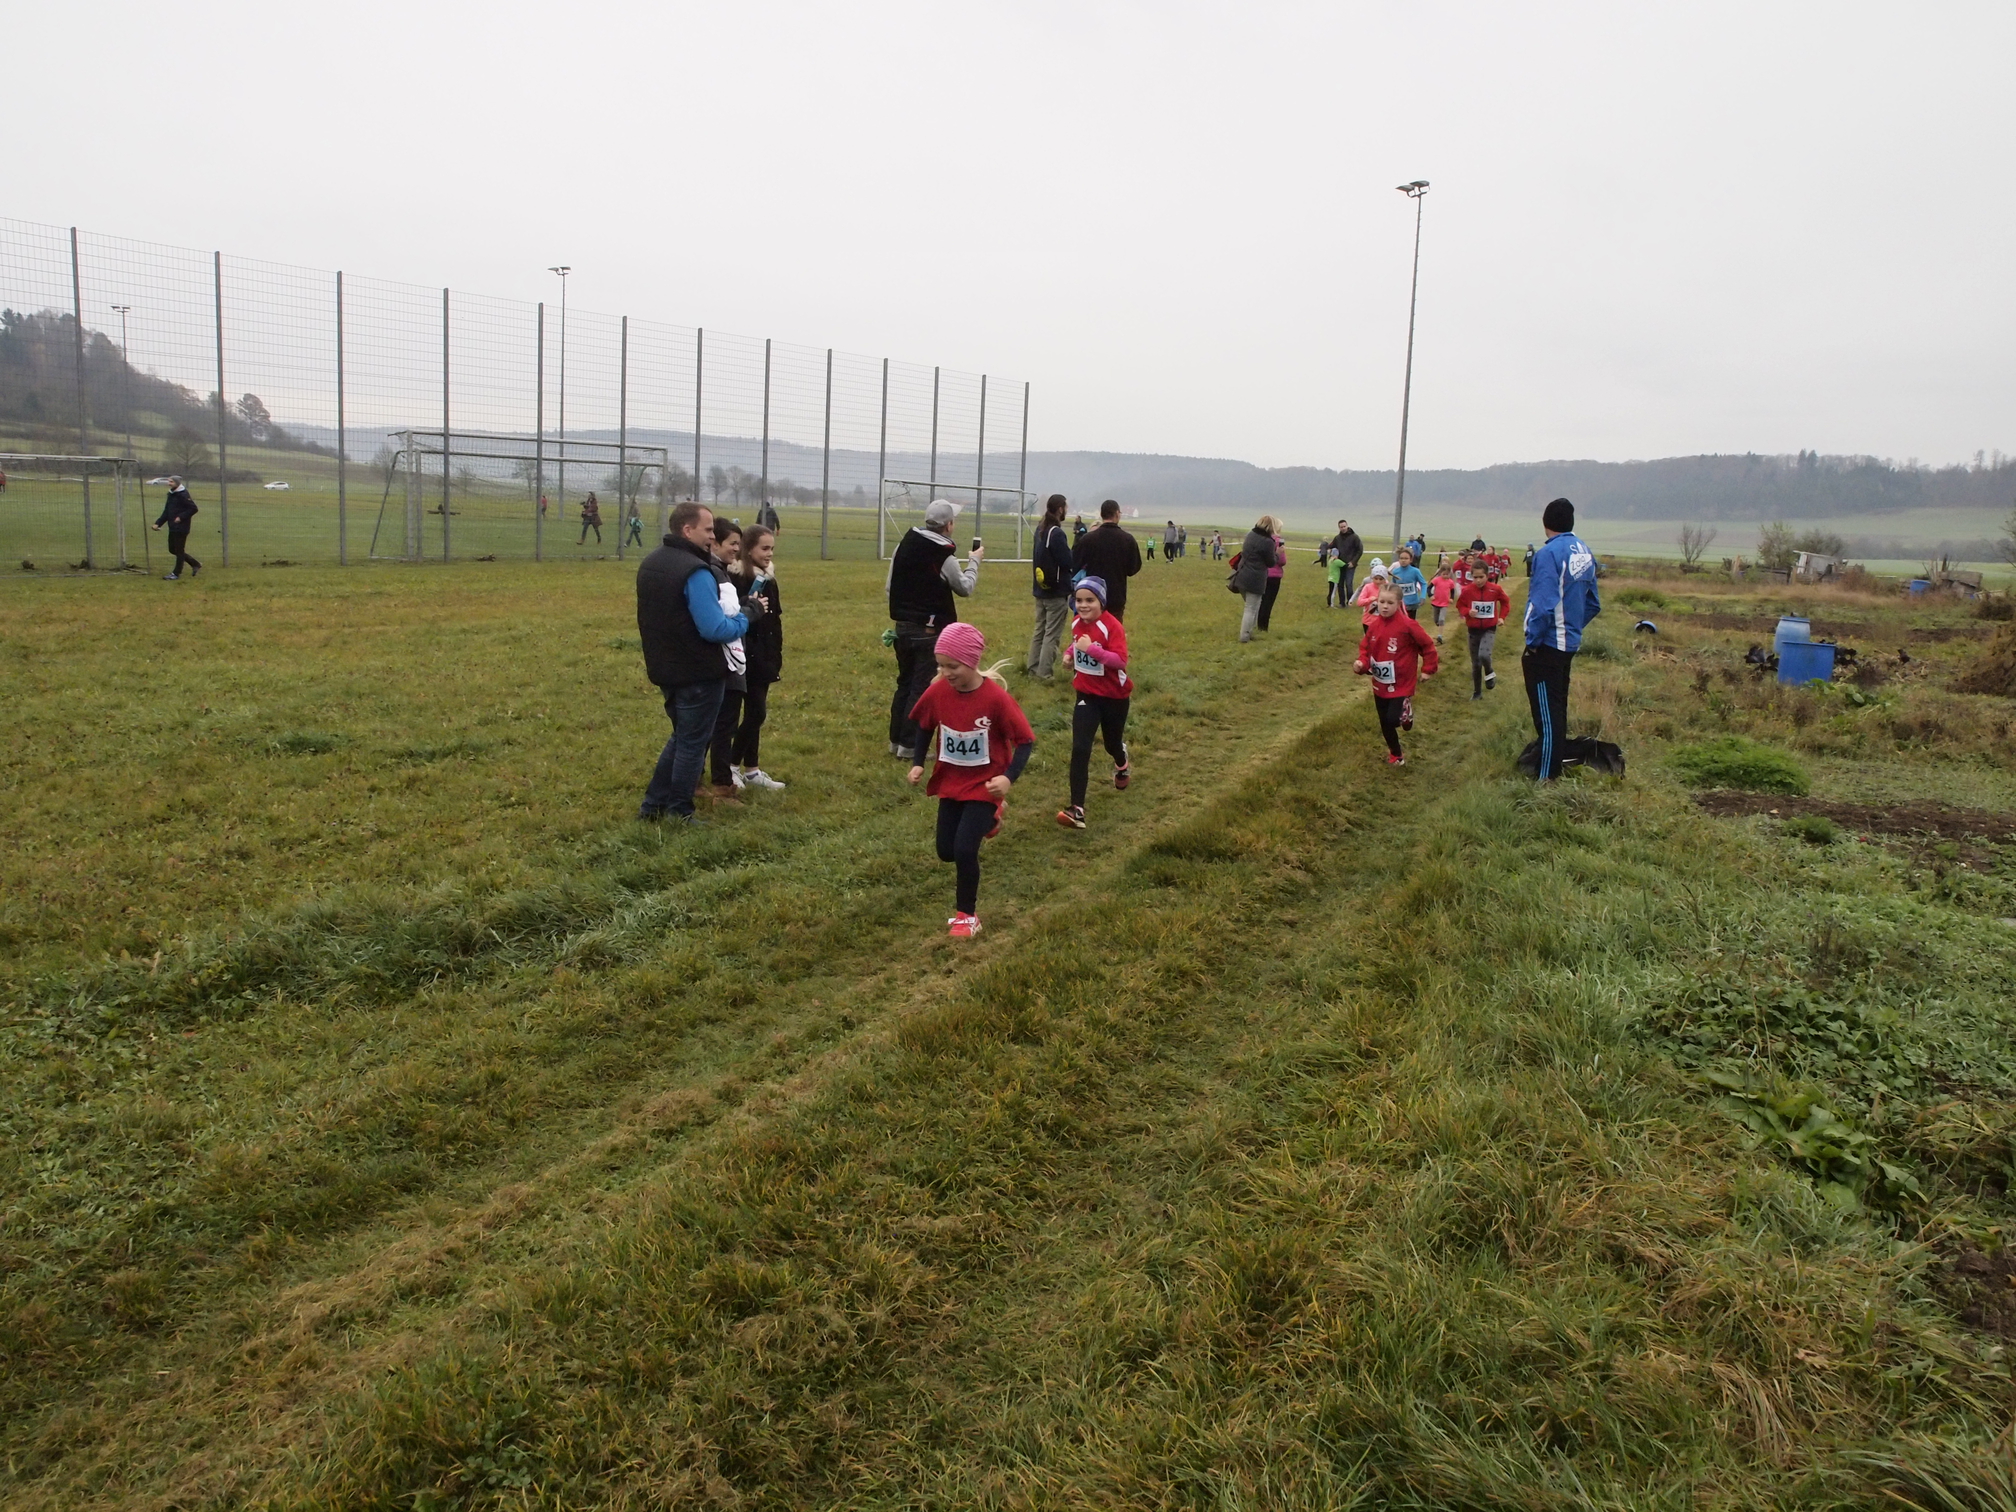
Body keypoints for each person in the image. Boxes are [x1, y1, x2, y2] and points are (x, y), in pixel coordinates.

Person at [906, 623, 1035, 937]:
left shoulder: (996, 699)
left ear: (972, 662)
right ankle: (991, 821)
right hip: (951, 783)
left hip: (984, 786)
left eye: (953, 666)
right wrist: (918, 763)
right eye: (941, 665)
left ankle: (967, 916)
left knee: (964, 850)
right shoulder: (938, 691)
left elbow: (1025, 741)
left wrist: (1007, 779)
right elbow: (924, 725)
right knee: (946, 851)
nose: (946, 673)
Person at [635, 502, 755, 823]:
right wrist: (746, 617)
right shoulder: (696, 571)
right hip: (698, 673)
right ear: (687, 530)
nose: (712, 536)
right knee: (692, 743)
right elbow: (715, 628)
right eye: (708, 530)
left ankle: (652, 807)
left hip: (664, 668)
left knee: (681, 738)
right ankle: (680, 811)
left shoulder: (651, 563)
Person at [888, 498, 981, 760]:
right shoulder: (944, 556)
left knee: (904, 684)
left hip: (902, 627)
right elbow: (965, 588)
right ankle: (909, 747)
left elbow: (889, 586)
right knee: (921, 688)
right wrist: (974, 562)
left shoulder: (903, 546)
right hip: (929, 633)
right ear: (948, 525)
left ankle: (895, 741)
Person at [1522, 497, 1601, 779]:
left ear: (1545, 523)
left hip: (1547, 646)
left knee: (1546, 714)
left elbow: (1542, 605)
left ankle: (1546, 776)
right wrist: (1572, 627)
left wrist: (1532, 641)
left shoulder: (1548, 554)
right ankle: (1552, 765)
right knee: (1557, 707)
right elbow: (1593, 603)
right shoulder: (1584, 552)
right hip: (1569, 644)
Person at [1055, 576, 1131, 831]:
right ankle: (1077, 808)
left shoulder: (1112, 626)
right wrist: (1069, 655)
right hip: (1087, 695)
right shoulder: (1077, 622)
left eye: (1090, 600)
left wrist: (1091, 650)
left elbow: (1120, 661)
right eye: (1079, 600)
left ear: (1101, 602)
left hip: (1114, 697)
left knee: (1111, 744)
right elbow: (1076, 642)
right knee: (1080, 747)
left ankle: (1122, 762)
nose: (1083, 605)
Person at [723, 524, 786, 789]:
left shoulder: (768, 578)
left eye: (772, 548)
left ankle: (752, 769)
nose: (769, 553)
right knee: (755, 713)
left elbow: (775, 620)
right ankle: (731, 764)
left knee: (754, 713)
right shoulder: (737, 579)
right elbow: (734, 615)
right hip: (746, 656)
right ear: (749, 550)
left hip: (766, 656)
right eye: (764, 548)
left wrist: (775, 654)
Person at [1354, 580, 1438, 766]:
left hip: (1402, 682)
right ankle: (1396, 754)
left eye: (1390, 603)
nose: (1385, 606)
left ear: (1399, 604)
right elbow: (1366, 649)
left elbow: (1427, 646)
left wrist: (1428, 669)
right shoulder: (1374, 626)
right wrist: (1362, 664)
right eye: (1382, 602)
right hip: (1380, 682)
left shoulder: (1408, 626)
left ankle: (1405, 712)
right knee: (1384, 721)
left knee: (1392, 719)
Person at [705, 519, 751, 799]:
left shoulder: (718, 571)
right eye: (732, 543)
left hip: (725, 659)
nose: (737, 549)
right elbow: (725, 618)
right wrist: (751, 611)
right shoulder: (714, 574)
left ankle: (697, 780)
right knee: (723, 724)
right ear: (715, 543)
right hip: (726, 659)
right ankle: (722, 784)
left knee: (713, 724)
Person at [1027, 493, 1074, 680]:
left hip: (1040, 589)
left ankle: (1032, 668)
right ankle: (1044, 673)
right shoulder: (1056, 533)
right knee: (1051, 634)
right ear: (1060, 509)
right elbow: (1066, 561)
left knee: (1039, 630)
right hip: (1056, 591)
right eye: (1066, 507)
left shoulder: (1040, 529)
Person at [1072, 499, 1143, 619]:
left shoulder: (1087, 539)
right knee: (1113, 629)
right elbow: (1133, 568)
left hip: (1092, 596)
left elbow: (1075, 564)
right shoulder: (1127, 539)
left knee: (1092, 629)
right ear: (1117, 514)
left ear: (1101, 514)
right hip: (1116, 597)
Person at [1458, 566, 1511, 700]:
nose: (1478, 580)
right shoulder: (1467, 590)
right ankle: (1477, 693)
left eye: (1481, 577)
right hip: (1473, 630)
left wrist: (1502, 617)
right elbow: (1460, 605)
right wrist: (1467, 612)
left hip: (1489, 628)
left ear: (1487, 576)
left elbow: (1505, 602)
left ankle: (1489, 672)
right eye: (1475, 577)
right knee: (1476, 663)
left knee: (1484, 654)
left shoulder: (1495, 589)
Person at [1231, 516, 1278, 641]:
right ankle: (1245, 636)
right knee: (1251, 609)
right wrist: (1277, 554)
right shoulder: (1268, 542)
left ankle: (1249, 633)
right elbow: (1271, 562)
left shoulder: (1250, 535)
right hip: (1255, 578)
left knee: (1252, 607)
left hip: (1241, 575)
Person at [152, 476, 201, 580]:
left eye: (171, 482)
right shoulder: (171, 494)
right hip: (173, 526)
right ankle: (195, 564)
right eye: (169, 481)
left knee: (179, 550)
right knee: (172, 549)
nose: (169, 483)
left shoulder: (183, 494)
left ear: (177, 483)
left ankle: (176, 574)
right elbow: (167, 511)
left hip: (182, 527)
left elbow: (193, 508)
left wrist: (181, 517)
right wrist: (158, 523)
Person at [1257, 517, 1287, 631]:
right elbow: (1282, 561)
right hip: (1274, 575)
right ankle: (1263, 627)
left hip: (1263, 573)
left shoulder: (1263, 539)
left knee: (1260, 601)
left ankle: (1257, 624)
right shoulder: (1278, 541)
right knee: (1268, 602)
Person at [1327, 518, 1364, 602]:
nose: (1343, 528)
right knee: (1340, 584)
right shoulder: (1337, 538)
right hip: (1340, 564)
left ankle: (1349, 601)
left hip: (1350, 565)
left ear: (1347, 526)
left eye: (1344, 526)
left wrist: (1353, 562)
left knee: (1348, 584)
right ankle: (1342, 602)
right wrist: (1331, 554)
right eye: (1341, 527)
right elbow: (1330, 547)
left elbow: (1360, 550)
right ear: (1339, 528)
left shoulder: (1354, 537)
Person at [1389, 545, 1428, 620]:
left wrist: (1422, 597)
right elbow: (1393, 586)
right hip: (1399, 603)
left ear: (1411, 560)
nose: (1403, 560)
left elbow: (1423, 583)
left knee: (1410, 623)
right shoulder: (1395, 572)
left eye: (1406, 558)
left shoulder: (1415, 571)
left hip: (1412, 603)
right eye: (1401, 558)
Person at [1428, 564, 1457, 641]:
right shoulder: (1436, 580)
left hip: (1444, 603)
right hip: (1436, 603)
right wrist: (1430, 595)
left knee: (1441, 619)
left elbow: (1452, 591)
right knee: (1436, 620)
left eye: (1447, 574)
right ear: (1440, 573)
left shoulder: (1450, 582)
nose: (1445, 576)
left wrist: (1451, 598)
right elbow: (1429, 588)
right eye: (1444, 574)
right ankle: (1438, 624)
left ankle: (1440, 635)